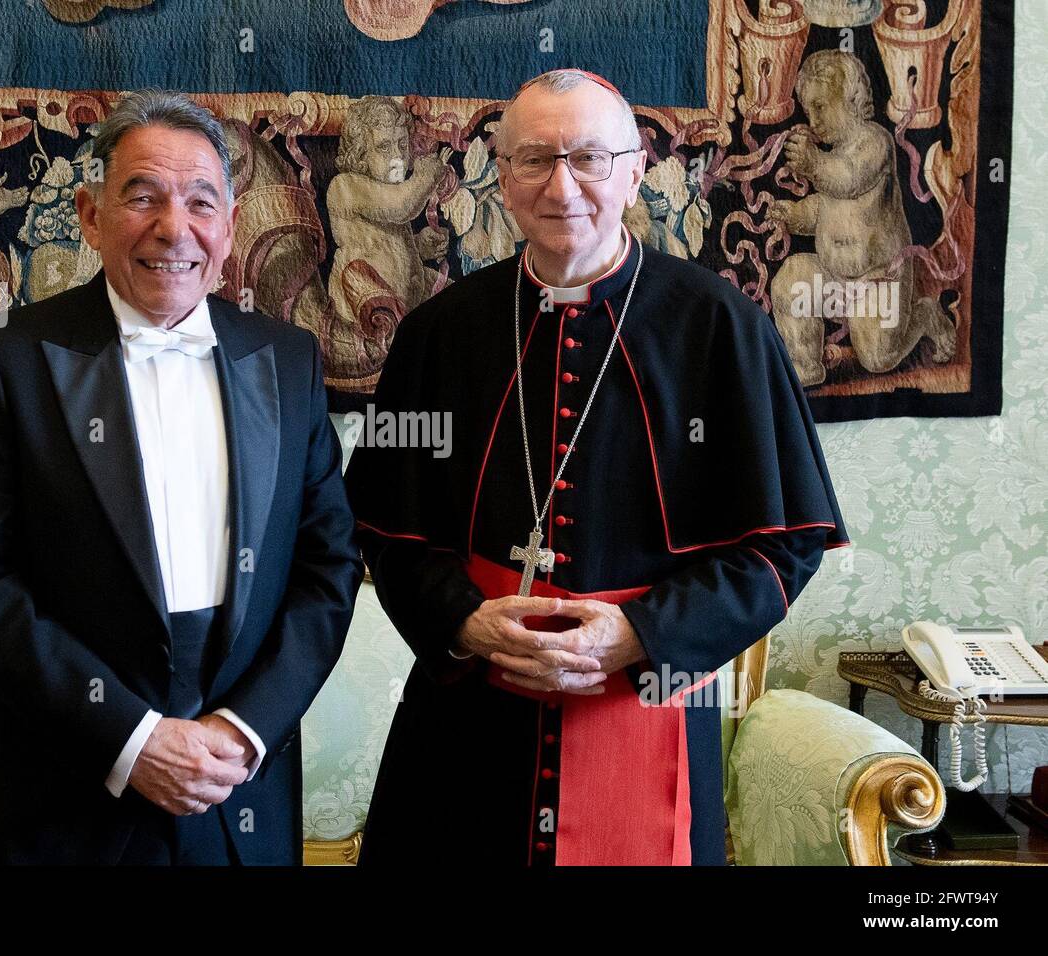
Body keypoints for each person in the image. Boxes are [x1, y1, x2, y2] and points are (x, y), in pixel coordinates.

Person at [345, 69, 850, 866]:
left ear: (635, 168)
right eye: (534, 159)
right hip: (466, 729)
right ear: (501, 175)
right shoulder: (441, 334)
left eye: (587, 157)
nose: (562, 186)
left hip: (643, 711)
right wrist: (464, 620)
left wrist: (641, 633)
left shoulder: (720, 327)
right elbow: (384, 531)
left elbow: (783, 545)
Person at [0, 89, 362, 865]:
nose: (175, 228)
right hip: (57, 791)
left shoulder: (288, 362)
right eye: (143, 197)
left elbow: (327, 568)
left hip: (238, 792)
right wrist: (132, 737)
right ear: (92, 217)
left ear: (229, 228)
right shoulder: (9, 358)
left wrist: (245, 728)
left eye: (201, 202)